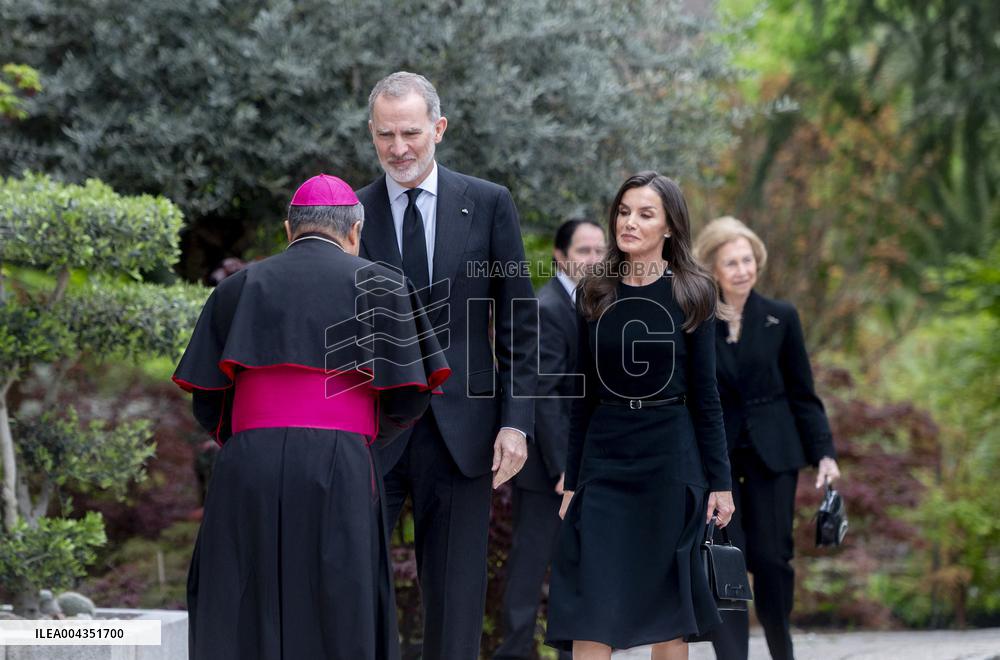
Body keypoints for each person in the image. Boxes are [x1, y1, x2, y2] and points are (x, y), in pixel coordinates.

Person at [173, 174, 451, 660]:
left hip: (249, 462)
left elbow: (208, 400)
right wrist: (353, 437)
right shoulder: (384, 286)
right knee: (339, 604)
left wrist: (256, 438)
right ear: (355, 231)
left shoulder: (238, 288)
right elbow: (409, 398)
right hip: (341, 460)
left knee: (243, 598)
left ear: (289, 229)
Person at [356, 71, 538, 659]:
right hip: (370, 431)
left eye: (410, 132)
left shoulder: (489, 203)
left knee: (457, 603)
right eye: (385, 134)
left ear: (439, 128)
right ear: (371, 133)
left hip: (465, 434)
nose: (398, 148)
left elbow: (519, 322)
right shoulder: (350, 212)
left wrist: (516, 423)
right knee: (354, 590)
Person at [546, 172, 735, 660]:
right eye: (624, 211)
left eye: (645, 214)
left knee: (670, 617)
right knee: (592, 609)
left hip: (670, 460)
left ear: (669, 226)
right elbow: (582, 397)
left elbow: (706, 396)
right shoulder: (595, 290)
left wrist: (720, 483)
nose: (629, 222)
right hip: (605, 460)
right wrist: (572, 481)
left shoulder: (693, 291)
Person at [693, 216, 841, 660]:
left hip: (774, 455)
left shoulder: (782, 317)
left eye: (748, 260)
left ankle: (781, 649)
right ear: (712, 269)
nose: (742, 270)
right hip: (717, 458)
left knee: (773, 558)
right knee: (725, 560)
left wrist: (825, 454)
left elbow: (803, 393)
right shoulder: (697, 322)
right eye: (731, 262)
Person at [494, 218, 606, 660]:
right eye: (584, 251)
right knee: (530, 565)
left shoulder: (596, 303)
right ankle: (514, 653)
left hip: (584, 461)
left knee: (575, 567)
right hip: (548, 468)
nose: (594, 259)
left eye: (600, 251)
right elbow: (545, 393)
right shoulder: (548, 307)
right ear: (560, 256)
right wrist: (564, 467)